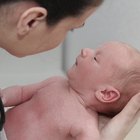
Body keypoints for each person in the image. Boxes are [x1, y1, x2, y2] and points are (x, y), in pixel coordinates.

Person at [0, 0, 140, 140]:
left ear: (105, 93)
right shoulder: (56, 82)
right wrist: (3, 97)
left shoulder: (85, 124)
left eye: (95, 59)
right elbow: (21, 92)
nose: (85, 51)